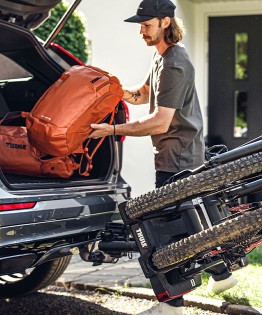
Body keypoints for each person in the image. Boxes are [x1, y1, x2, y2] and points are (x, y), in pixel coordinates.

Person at [88, 0, 237, 314]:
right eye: (140, 25)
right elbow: (143, 94)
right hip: (174, 155)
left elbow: (160, 121)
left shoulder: (175, 63)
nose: (141, 30)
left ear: (166, 22)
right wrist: (112, 90)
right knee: (188, 228)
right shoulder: (161, 59)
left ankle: (172, 305)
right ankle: (223, 275)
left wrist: (110, 129)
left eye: (147, 24)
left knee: (163, 237)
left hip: (178, 160)